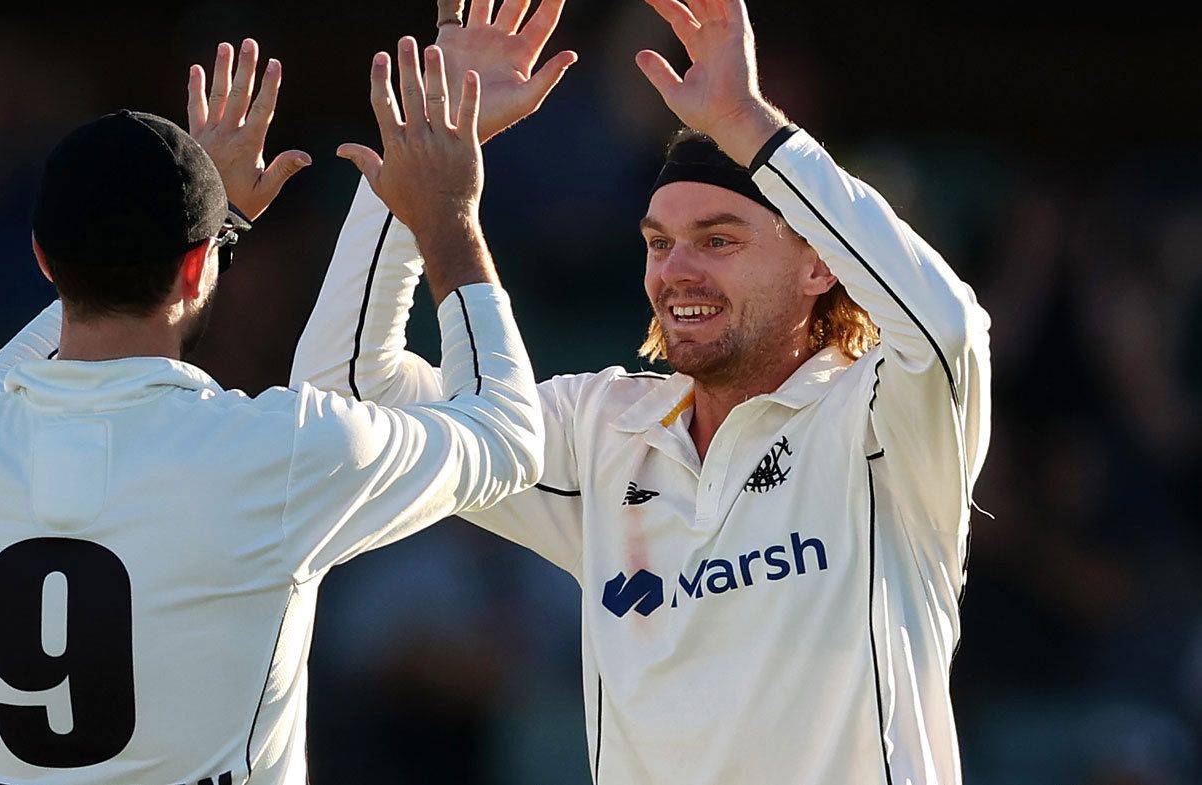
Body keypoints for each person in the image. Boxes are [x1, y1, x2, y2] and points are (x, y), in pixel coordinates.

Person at [291, 0, 992, 782]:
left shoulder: (882, 420)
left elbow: (947, 328)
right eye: (659, 243)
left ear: (818, 264)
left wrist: (750, 124)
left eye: (718, 239)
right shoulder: (601, 433)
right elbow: (346, 399)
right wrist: (430, 147)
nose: (676, 269)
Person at [0, 40, 544, 785]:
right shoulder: (274, 450)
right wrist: (450, 219)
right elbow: (509, 435)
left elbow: (19, 367)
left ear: (43, 259)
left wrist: (210, 225)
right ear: (200, 265)